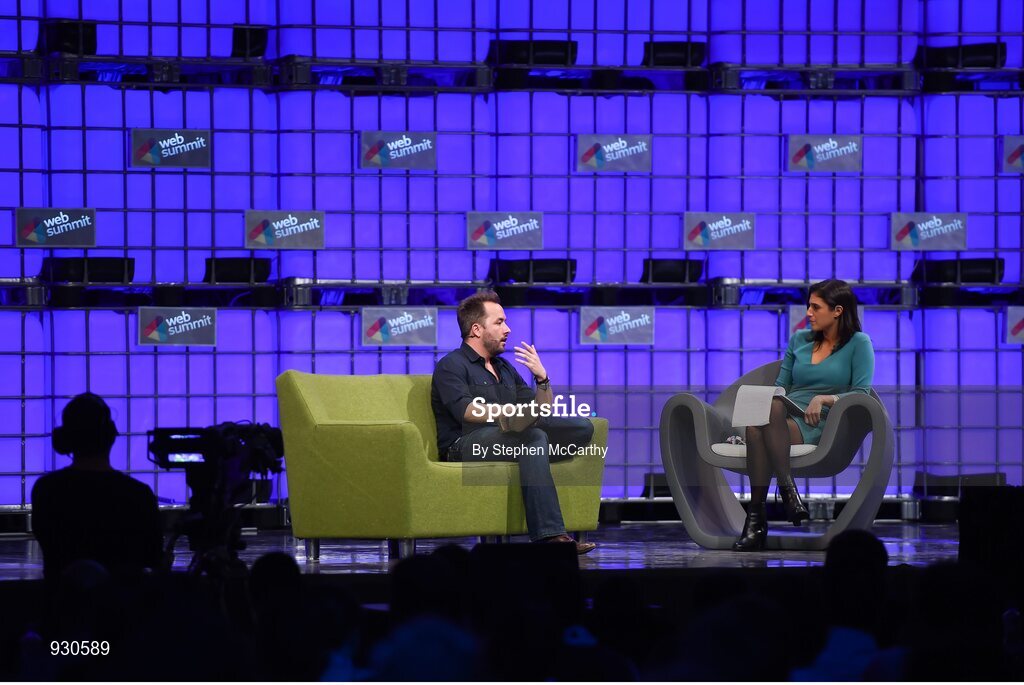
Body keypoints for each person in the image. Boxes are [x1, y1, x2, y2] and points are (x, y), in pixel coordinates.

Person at [431, 291, 597, 554]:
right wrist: (508, 416)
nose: (507, 329)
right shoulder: (451, 365)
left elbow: (541, 409)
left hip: (508, 438)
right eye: (499, 322)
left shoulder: (504, 367)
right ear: (476, 329)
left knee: (583, 428)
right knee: (534, 438)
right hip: (465, 444)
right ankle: (551, 538)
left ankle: (534, 455)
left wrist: (542, 378)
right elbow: (466, 411)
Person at [733, 279, 875, 551]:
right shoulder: (799, 340)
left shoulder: (859, 343)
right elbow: (781, 386)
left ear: (838, 311)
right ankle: (787, 491)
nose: (808, 312)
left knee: (754, 430)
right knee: (769, 409)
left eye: (815, 307)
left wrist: (824, 399)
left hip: (823, 421)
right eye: (808, 306)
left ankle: (756, 521)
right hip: (785, 415)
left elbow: (861, 393)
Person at [31, 393, 164, 581]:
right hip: (122, 598)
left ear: (64, 438)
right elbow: (152, 557)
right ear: (110, 436)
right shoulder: (138, 494)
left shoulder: (46, 489)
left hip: (61, 598)